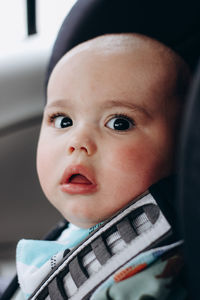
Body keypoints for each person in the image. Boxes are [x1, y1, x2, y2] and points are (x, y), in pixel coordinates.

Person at [16, 33, 191, 299]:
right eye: (63, 120)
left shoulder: (159, 271)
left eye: (119, 123)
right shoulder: (71, 234)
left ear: (181, 148)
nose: (78, 142)